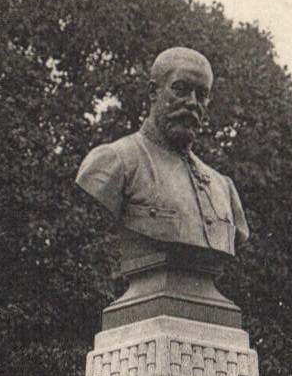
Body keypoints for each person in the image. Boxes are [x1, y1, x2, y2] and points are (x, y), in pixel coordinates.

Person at [75, 47, 249, 258]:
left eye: (201, 95)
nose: (192, 102)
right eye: (180, 89)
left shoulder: (223, 188)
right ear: (153, 92)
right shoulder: (114, 162)